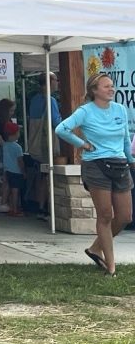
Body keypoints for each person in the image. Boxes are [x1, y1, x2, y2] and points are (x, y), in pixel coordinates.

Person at [55, 72, 134, 277]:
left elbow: (126, 138)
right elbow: (62, 129)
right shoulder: (85, 111)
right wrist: (83, 145)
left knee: (125, 216)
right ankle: (111, 266)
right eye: (106, 86)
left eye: (112, 86)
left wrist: (131, 160)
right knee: (106, 214)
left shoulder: (120, 110)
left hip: (120, 164)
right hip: (96, 164)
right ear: (94, 90)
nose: (111, 89)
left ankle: (95, 248)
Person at [27, 72, 62, 218]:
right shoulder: (51, 100)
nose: (58, 82)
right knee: (48, 177)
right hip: (46, 145)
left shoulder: (34, 100)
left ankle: (40, 207)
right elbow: (56, 122)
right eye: (56, 79)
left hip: (35, 145)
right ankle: (47, 208)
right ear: (50, 82)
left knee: (41, 176)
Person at [1, 122, 25, 217]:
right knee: (15, 191)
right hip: (16, 172)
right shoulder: (18, 147)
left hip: (7, 171)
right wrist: (24, 172)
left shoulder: (5, 145)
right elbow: (20, 161)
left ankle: (10, 207)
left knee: (9, 190)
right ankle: (15, 209)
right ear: (15, 134)